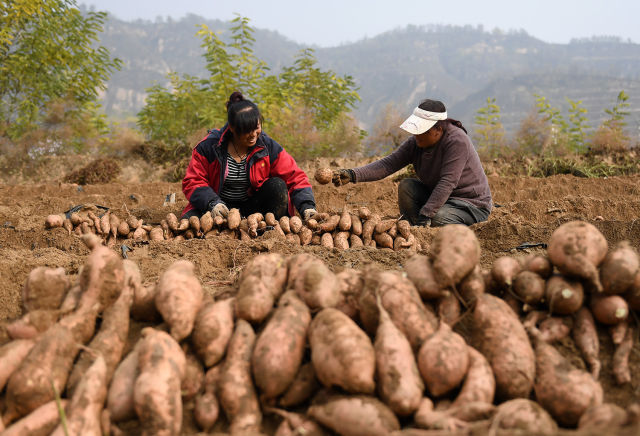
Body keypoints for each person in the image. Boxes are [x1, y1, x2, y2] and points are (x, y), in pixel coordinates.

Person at [333, 99, 492, 227]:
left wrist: (427, 213)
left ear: (438, 130)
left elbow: (448, 182)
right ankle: (415, 226)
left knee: (439, 218)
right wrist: (353, 174)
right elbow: (388, 165)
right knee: (407, 186)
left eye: (423, 131)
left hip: (470, 205)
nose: (417, 135)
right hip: (441, 199)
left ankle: (430, 223)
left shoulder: (456, 141)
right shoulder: (417, 142)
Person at [181, 91, 317, 221]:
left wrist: (307, 206)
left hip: (254, 209)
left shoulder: (267, 146)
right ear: (232, 128)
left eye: (256, 127)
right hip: (218, 208)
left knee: (277, 186)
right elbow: (192, 182)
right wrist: (212, 203)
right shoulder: (209, 147)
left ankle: (269, 228)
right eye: (247, 130)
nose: (253, 134)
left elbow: (294, 176)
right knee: (189, 221)